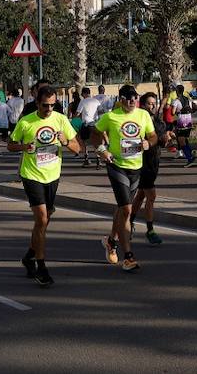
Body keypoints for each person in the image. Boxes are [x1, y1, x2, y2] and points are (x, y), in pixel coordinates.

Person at [8, 82, 83, 286]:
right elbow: (10, 145)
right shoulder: (26, 122)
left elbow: (78, 149)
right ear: (37, 103)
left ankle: (29, 256)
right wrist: (25, 146)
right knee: (41, 219)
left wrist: (66, 142)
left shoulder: (61, 120)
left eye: (52, 105)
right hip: (32, 175)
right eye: (45, 105)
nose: (49, 109)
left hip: (53, 175)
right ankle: (41, 267)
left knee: (45, 220)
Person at [92, 84, 157, 272]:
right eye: (128, 98)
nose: (132, 101)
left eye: (135, 98)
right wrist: (102, 150)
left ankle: (111, 241)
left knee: (123, 209)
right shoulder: (110, 117)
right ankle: (128, 257)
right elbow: (94, 134)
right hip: (116, 165)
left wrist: (148, 143)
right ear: (121, 99)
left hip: (136, 167)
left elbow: (153, 137)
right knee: (127, 208)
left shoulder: (143, 115)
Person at [132, 91, 168, 246]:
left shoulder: (159, 123)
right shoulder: (139, 121)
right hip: (142, 163)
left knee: (141, 196)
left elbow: (161, 143)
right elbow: (142, 140)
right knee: (151, 196)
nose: (153, 106)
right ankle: (150, 229)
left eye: (154, 103)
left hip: (154, 162)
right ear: (142, 104)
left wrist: (166, 140)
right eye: (149, 103)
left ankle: (128, 222)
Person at [75, 89, 110, 167]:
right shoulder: (96, 101)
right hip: (95, 124)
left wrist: (74, 119)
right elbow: (101, 111)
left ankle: (86, 158)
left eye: (82, 94)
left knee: (83, 141)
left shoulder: (83, 101)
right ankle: (98, 160)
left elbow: (78, 113)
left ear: (84, 94)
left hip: (86, 123)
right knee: (96, 142)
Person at [169, 85, 196, 167]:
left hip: (181, 121)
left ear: (177, 91)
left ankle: (190, 158)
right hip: (188, 120)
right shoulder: (188, 99)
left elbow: (172, 112)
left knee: (181, 141)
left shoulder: (176, 101)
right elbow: (191, 109)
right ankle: (190, 152)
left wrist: (178, 111)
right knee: (184, 138)